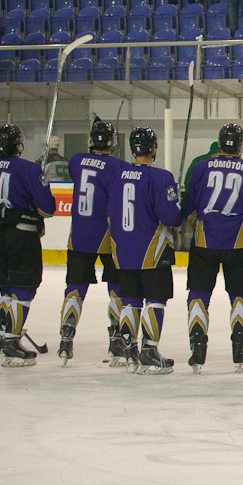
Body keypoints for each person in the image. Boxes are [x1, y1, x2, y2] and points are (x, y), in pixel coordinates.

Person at [181, 124, 243, 374]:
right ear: (241, 145)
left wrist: (198, 224)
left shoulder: (201, 167)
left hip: (204, 242)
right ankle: (240, 349)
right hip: (236, 244)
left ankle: (197, 349)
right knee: (240, 296)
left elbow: (191, 204)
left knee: (198, 294)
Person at [107, 127, 182, 374]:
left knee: (130, 300)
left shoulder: (117, 175)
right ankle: (149, 351)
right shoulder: (161, 177)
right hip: (152, 250)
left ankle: (130, 349)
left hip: (123, 250)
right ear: (153, 148)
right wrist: (178, 203)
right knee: (155, 300)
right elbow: (170, 217)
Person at [0, 125, 56, 366]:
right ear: (18, 145)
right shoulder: (28, 169)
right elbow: (48, 208)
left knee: (6, 289)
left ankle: (7, 336)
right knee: (24, 288)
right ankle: (11, 343)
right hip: (22, 236)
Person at [58, 118, 127, 365]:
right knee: (116, 289)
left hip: (78, 237)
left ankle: (66, 337)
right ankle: (117, 340)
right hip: (108, 237)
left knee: (75, 288)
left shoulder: (76, 160)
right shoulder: (118, 166)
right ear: (112, 142)